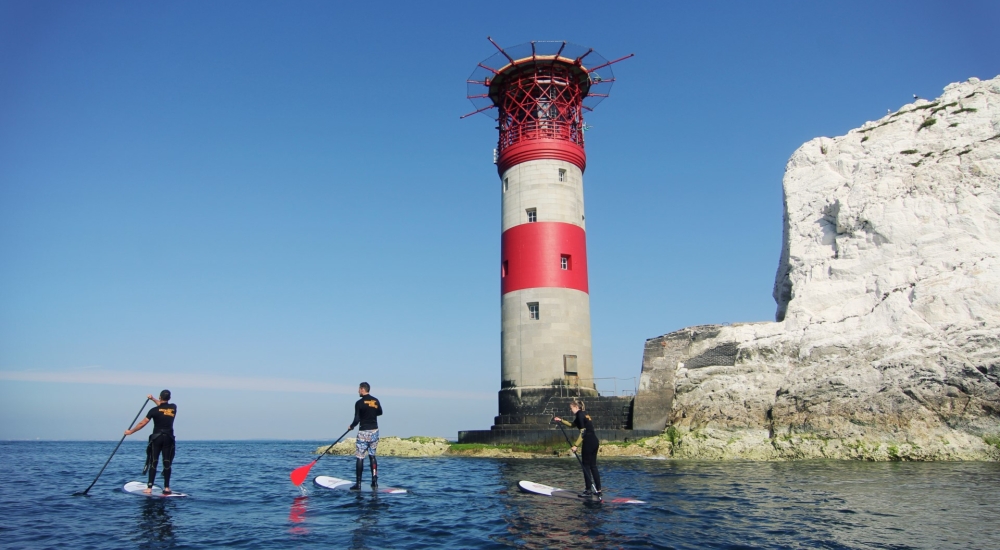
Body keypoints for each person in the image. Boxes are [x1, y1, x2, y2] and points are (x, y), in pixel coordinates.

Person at [124, 390, 176, 495]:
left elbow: (142, 423)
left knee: (153, 462)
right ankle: (166, 488)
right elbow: (163, 407)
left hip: (157, 438)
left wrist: (131, 431)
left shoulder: (153, 411)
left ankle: (149, 488)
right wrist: (153, 399)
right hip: (169, 438)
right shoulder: (173, 408)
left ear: (160, 397)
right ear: (169, 398)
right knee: (167, 462)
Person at [554, 399, 601, 499]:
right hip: (595, 441)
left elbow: (583, 432)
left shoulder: (579, 415)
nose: (571, 410)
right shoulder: (584, 414)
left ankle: (588, 491)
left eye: (571, 408)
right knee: (593, 466)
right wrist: (561, 420)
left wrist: (575, 445)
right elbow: (572, 425)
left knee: (586, 466)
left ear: (576, 407)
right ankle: (599, 490)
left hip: (588, 442)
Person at [347, 382, 382, 490]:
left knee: (360, 457)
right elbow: (380, 412)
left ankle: (358, 484)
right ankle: (374, 482)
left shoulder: (359, 403)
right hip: (375, 431)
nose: (358, 391)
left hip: (363, 432)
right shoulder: (375, 400)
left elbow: (357, 419)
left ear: (363, 389)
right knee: (372, 456)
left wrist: (351, 426)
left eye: (359, 389)